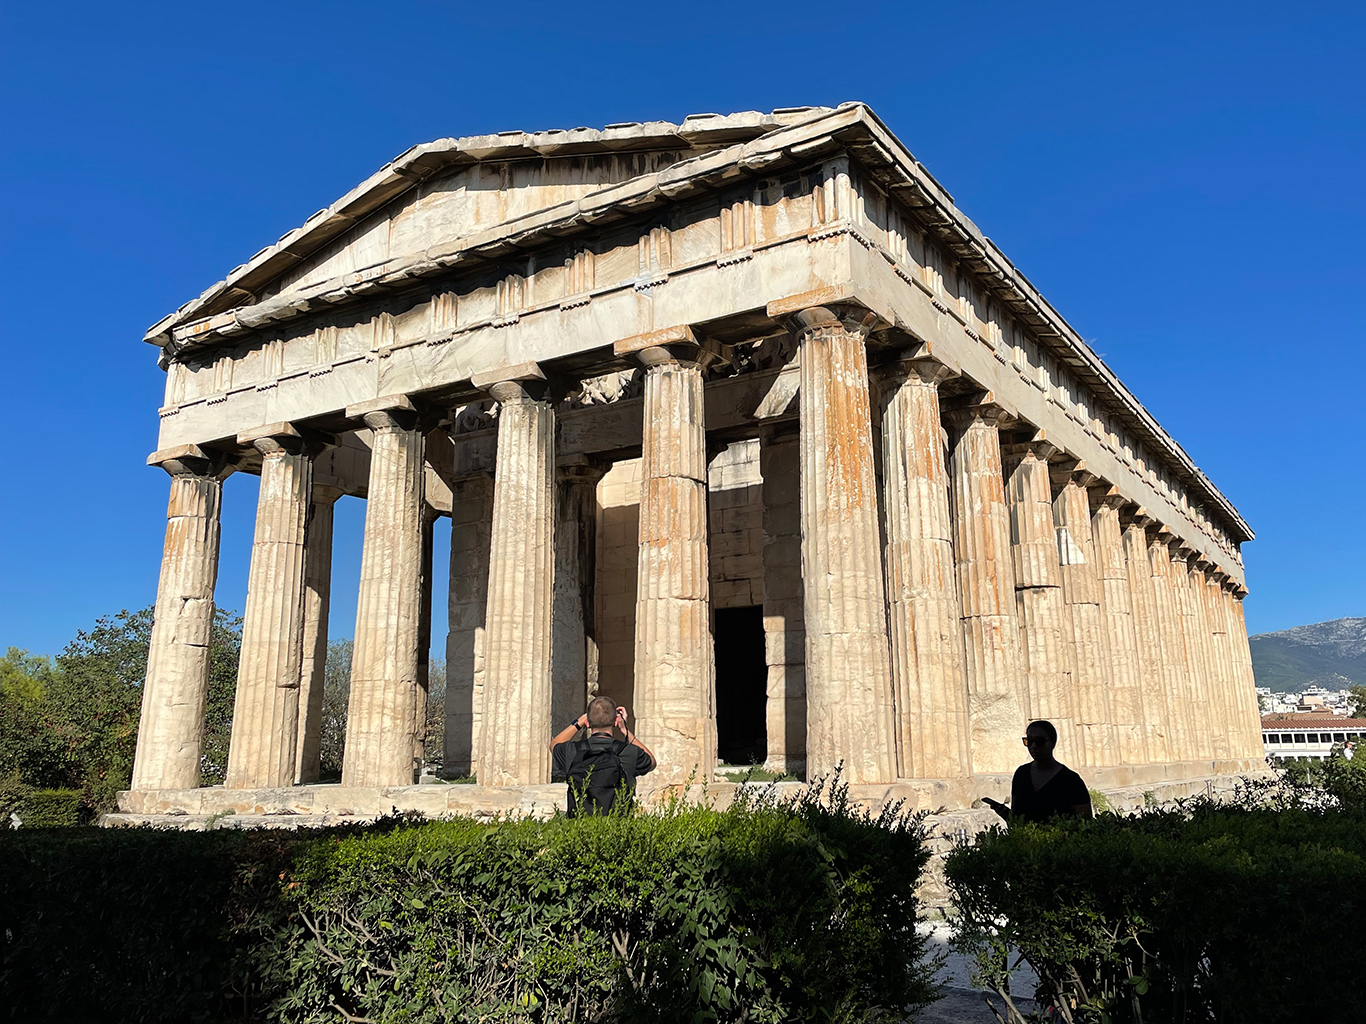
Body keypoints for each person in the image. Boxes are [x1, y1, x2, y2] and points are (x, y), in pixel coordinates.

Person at [549, 695, 657, 817]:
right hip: (618, 829)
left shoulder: (573, 751)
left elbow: (554, 744)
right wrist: (625, 730)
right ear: (616, 721)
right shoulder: (628, 752)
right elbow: (652, 762)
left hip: (578, 829)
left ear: (588, 723)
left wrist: (579, 722)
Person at [982, 720, 1094, 825]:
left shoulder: (1071, 780)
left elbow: (1085, 824)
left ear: (1052, 743)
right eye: (1029, 741)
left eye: (1039, 741)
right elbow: (1018, 820)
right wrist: (1005, 814)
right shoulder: (1021, 774)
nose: (1033, 746)